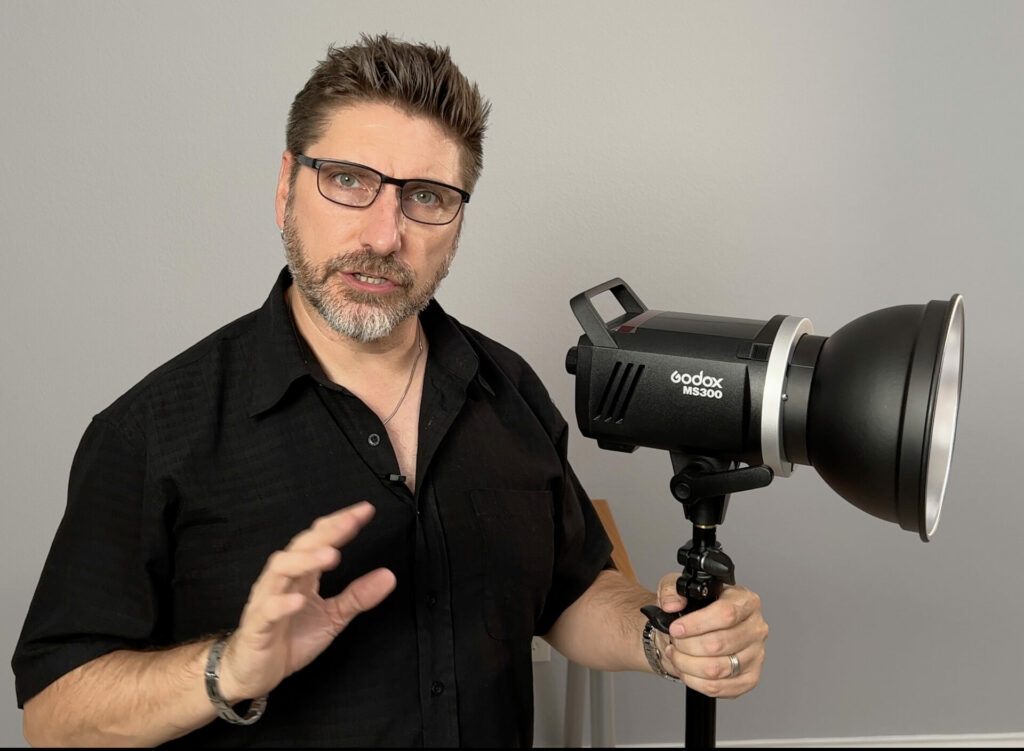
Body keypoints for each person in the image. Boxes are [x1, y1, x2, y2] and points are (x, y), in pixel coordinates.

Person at [12, 34, 769, 747]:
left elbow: (571, 591)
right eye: (348, 181)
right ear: (286, 188)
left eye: (427, 197)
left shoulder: (508, 390)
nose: (383, 234)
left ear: (457, 220)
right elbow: (54, 713)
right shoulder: (150, 433)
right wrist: (229, 669)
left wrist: (667, 639)